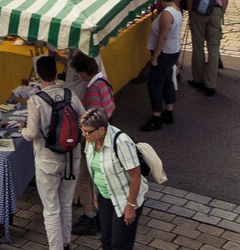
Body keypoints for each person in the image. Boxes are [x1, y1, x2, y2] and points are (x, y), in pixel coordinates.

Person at [23, 56, 85, 250]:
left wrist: (21, 131)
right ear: (57, 73)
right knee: (66, 204)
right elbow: (84, 120)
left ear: (38, 75)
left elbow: (32, 133)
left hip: (47, 160)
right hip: (71, 157)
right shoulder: (70, 94)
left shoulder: (36, 100)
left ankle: (55, 247)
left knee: (51, 209)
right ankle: (66, 243)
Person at [82, 108, 147, 250]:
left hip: (124, 199)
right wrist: (95, 194)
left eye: (87, 131)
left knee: (120, 245)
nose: (84, 134)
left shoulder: (121, 143)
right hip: (104, 197)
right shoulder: (91, 140)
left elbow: (136, 176)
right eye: (83, 130)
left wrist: (131, 206)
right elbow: (94, 170)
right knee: (106, 241)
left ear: (101, 130)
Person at [70, 52, 114, 236]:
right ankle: (99, 214)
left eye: (79, 73)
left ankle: (89, 215)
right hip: (103, 138)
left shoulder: (93, 89)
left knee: (84, 178)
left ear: (84, 72)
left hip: (93, 143)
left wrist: (82, 139)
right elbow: (111, 108)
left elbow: (92, 120)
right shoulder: (104, 82)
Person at [185, 0, 229, 97]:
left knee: (198, 45)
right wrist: (220, 14)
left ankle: (198, 79)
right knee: (213, 48)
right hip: (215, 12)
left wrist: (191, 14)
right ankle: (210, 83)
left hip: (198, 12)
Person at [141, 0, 182, 131]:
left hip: (164, 53)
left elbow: (163, 36)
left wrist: (155, 56)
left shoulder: (167, 13)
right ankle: (169, 110)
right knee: (166, 80)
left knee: (155, 83)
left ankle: (156, 116)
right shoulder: (175, 9)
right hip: (172, 50)